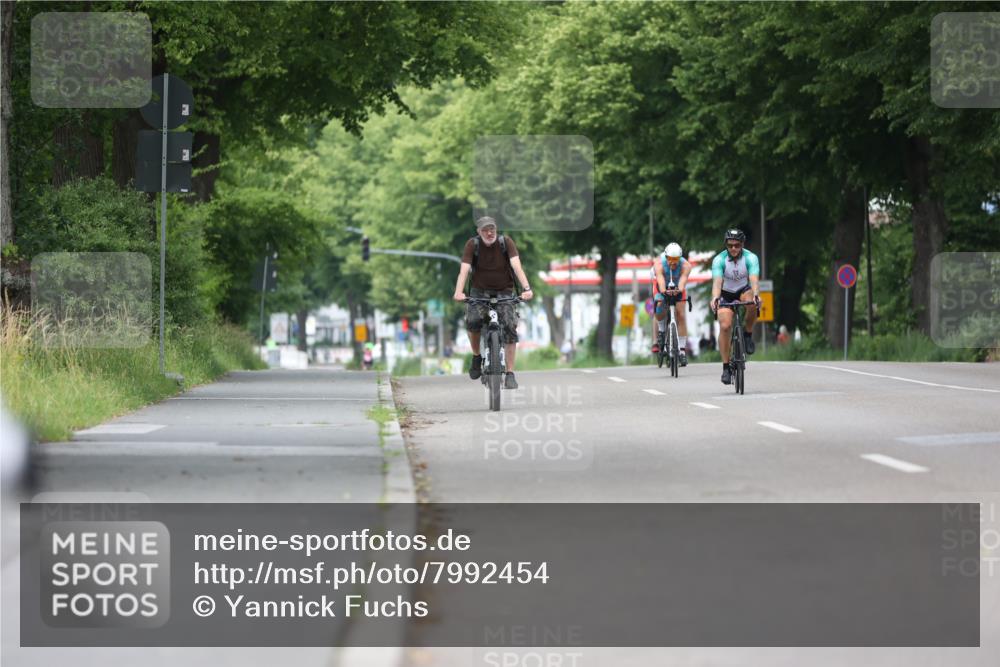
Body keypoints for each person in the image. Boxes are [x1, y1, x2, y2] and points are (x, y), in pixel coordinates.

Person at [452, 217, 534, 389]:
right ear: (478, 232)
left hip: (504, 292)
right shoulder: (472, 245)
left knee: (510, 326)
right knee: (473, 321)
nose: (489, 233)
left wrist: (527, 288)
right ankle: (476, 356)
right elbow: (464, 271)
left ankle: (510, 373)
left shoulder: (506, 243)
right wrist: (459, 292)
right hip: (479, 293)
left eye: (492, 229)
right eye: (485, 230)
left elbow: (517, 266)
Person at [709, 229, 761, 385]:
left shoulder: (751, 258)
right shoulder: (719, 260)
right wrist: (715, 298)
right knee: (725, 325)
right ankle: (726, 367)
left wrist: (757, 294)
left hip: (743, 290)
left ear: (742, 245)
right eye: (730, 245)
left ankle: (747, 335)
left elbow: (753, 279)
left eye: (737, 245)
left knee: (752, 301)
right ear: (726, 245)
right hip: (726, 292)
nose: (733, 249)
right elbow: (717, 282)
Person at [650, 242, 692, 366]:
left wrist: (678, 290)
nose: (673, 262)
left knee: (681, 315)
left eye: (676, 260)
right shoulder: (659, 264)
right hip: (660, 283)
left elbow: (683, 281)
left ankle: (682, 351)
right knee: (659, 307)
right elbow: (661, 282)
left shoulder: (686, 265)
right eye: (670, 259)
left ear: (680, 258)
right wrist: (664, 292)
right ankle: (662, 331)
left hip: (677, 284)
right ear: (666, 257)